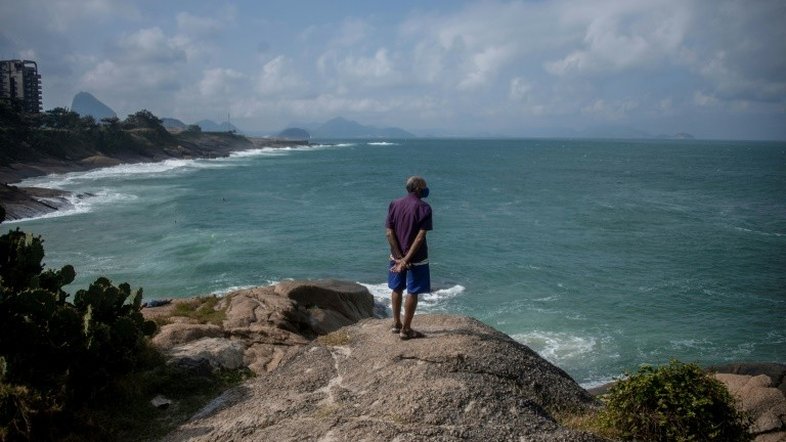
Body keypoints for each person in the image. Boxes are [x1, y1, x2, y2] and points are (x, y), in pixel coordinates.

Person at [386, 176, 432, 340]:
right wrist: (406, 260)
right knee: (413, 291)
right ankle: (406, 330)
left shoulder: (394, 204)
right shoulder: (424, 208)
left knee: (396, 288)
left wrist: (399, 257)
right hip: (417, 257)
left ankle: (396, 323)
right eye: (424, 186)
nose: (426, 188)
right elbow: (420, 237)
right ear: (418, 187)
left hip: (396, 256)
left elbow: (389, 232)